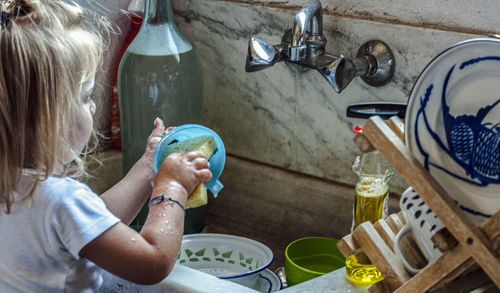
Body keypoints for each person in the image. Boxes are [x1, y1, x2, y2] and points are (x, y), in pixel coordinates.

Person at [0, 0, 212, 291]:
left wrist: (146, 167)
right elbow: (153, 261)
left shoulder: (16, 188)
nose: (93, 106)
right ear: (47, 119)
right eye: (86, 96)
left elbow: (92, 224)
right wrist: (172, 187)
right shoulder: (61, 199)